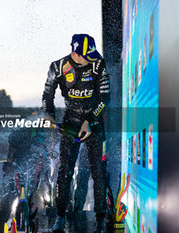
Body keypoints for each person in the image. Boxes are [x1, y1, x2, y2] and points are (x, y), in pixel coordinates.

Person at [42, 34, 110, 233]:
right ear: (75, 53)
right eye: (87, 55)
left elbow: (105, 97)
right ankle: (60, 217)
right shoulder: (57, 67)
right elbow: (47, 95)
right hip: (70, 123)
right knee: (65, 171)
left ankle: (100, 219)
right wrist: (49, 116)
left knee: (98, 171)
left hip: (94, 122)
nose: (92, 58)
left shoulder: (98, 65)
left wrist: (89, 122)